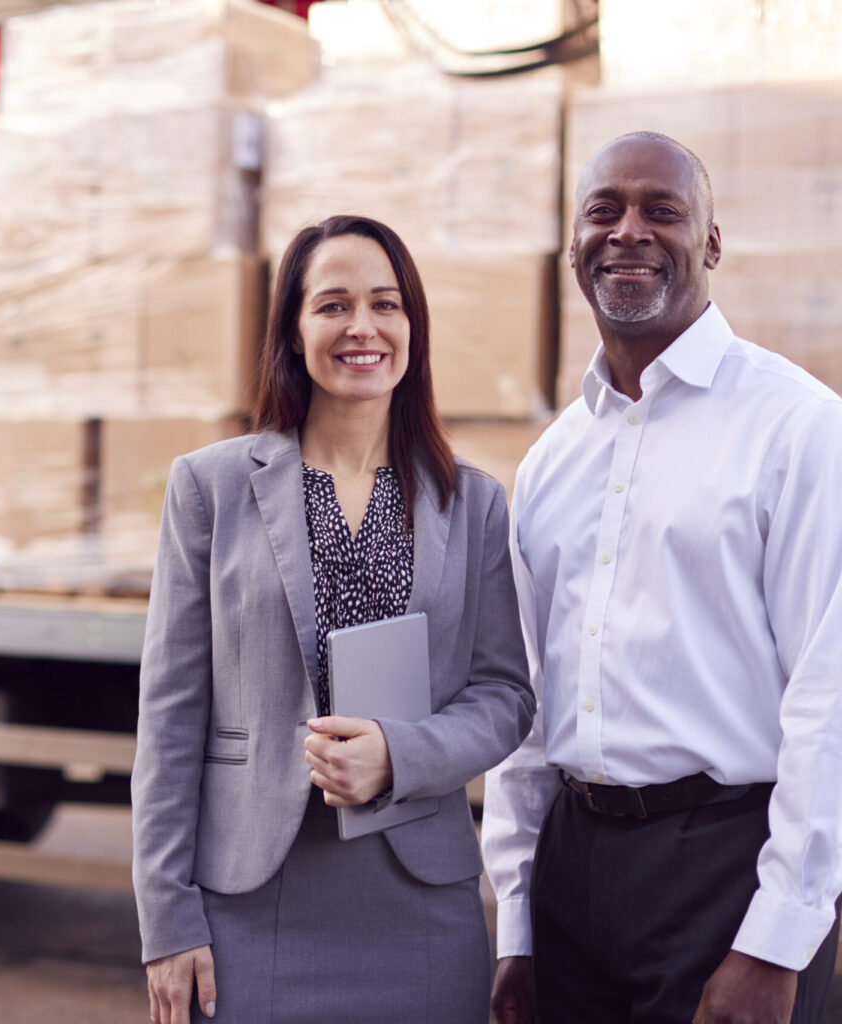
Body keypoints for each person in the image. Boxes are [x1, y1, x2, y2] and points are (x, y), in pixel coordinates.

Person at [131, 214, 534, 1024]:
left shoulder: (477, 502)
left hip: (419, 899)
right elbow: (170, 717)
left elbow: (505, 695)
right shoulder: (210, 488)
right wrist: (165, 920)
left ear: (412, 326)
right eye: (333, 304)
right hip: (251, 898)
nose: (362, 327)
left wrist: (402, 752)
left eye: (386, 304)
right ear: (293, 328)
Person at [482, 131, 842, 1024]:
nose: (628, 231)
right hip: (572, 874)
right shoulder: (550, 462)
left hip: (724, 869)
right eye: (604, 211)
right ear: (574, 245)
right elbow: (528, 710)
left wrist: (777, 940)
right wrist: (517, 928)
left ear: (711, 244)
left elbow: (829, 701)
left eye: (663, 211)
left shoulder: (798, 431)